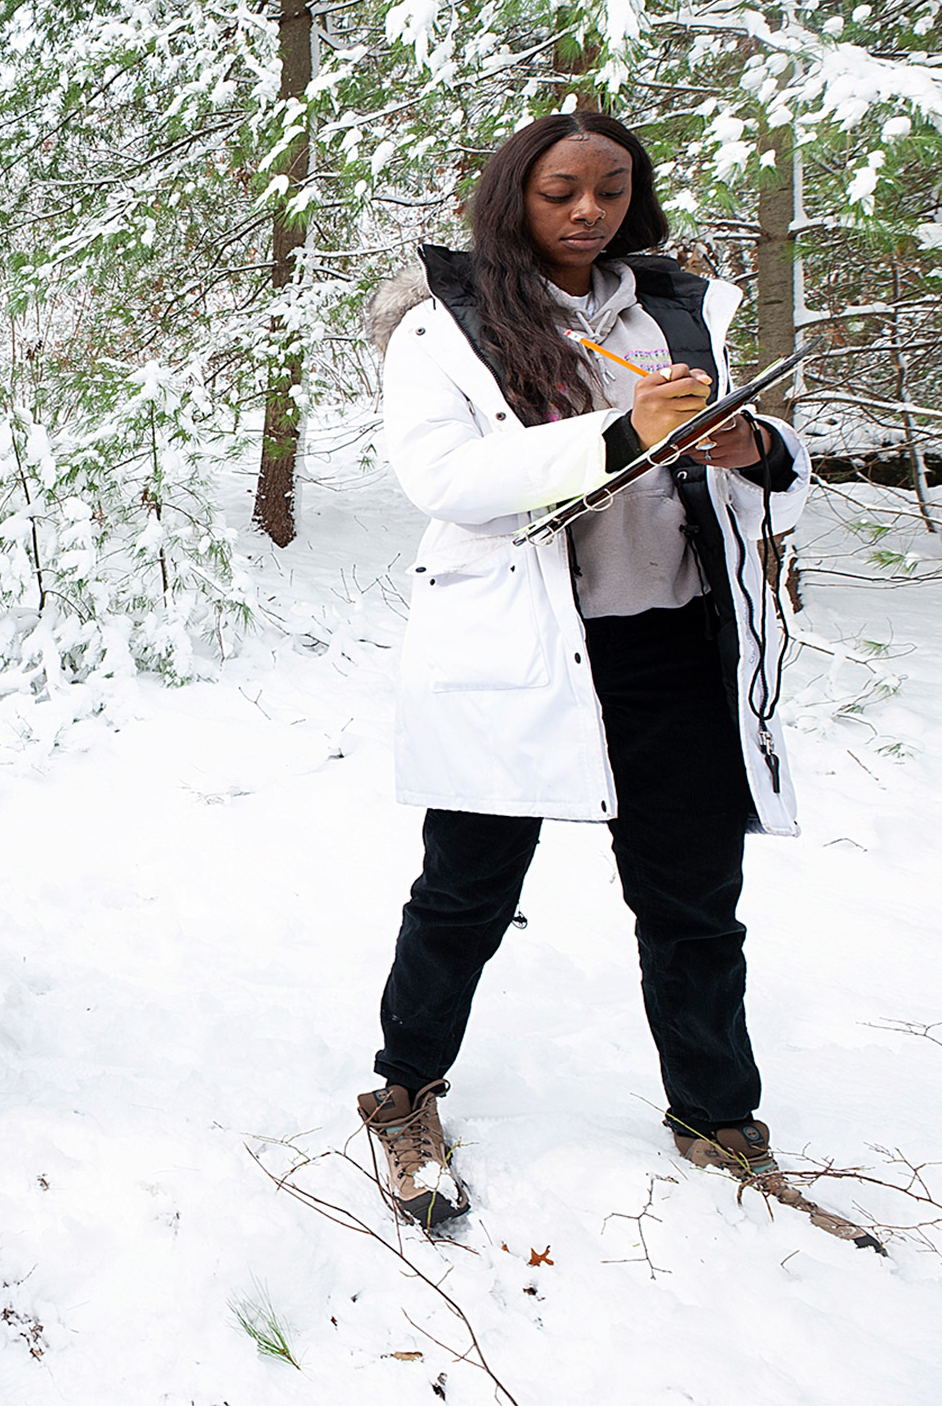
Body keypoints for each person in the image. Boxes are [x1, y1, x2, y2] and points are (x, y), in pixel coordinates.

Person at [356, 111, 836, 1236]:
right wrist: (622, 434)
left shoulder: (680, 307)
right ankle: (404, 1090)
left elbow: (776, 478)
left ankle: (718, 1116)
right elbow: (445, 478)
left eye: (610, 189)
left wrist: (752, 448)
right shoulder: (446, 327)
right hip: (517, 657)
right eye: (561, 190)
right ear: (513, 195)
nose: (587, 211)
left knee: (694, 908)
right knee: (464, 894)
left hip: (673, 647)